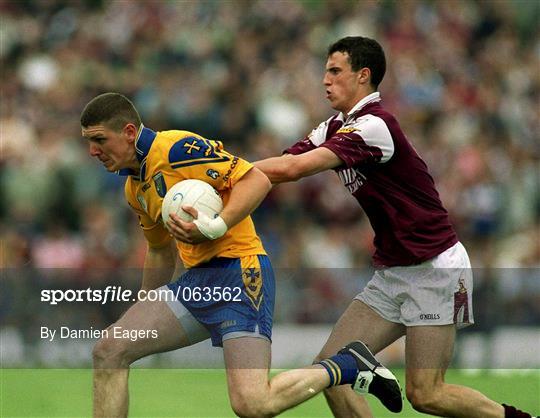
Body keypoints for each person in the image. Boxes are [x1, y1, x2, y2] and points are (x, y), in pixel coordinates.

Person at [255, 37, 534, 418]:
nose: (325, 80)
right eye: (325, 71)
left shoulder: (375, 126)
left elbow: (292, 170)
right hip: (393, 271)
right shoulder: (336, 125)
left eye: (335, 71)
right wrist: (225, 172)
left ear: (362, 75)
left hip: (435, 268)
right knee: (330, 370)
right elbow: (281, 163)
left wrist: (215, 169)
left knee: (426, 394)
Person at [80, 92, 402, 418]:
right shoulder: (135, 187)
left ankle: (348, 365)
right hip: (198, 282)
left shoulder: (176, 149)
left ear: (129, 132)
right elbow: (161, 250)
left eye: (99, 139)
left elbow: (256, 178)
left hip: (241, 274)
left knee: (251, 404)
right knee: (110, 350)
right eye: (89, 142)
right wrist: (144, 310)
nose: (93, 151)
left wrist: (217, 225)